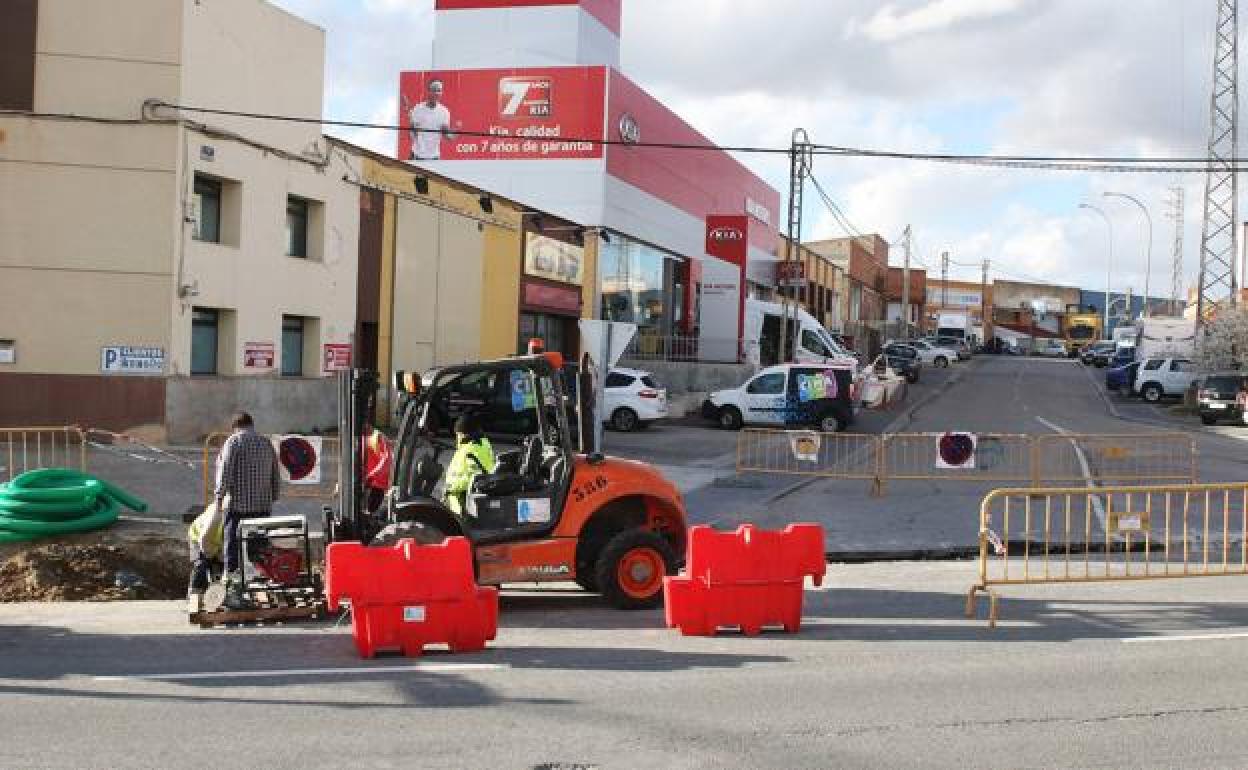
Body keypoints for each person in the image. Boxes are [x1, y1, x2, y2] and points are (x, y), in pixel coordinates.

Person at [214, 412, 281, 609]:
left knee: (233, 548)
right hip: (262, 507)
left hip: (239, 508)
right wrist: (273, 496)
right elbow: (275, 474)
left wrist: (219, 496)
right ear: (252, 424)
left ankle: (233, 591)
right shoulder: (266, 443)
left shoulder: (233, 442)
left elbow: (225, 471)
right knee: (258, 550)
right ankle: (259, 587)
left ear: (235, 426)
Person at [443, 413, 495, 517]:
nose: (457, 437)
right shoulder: (471, 446)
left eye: (458, 434)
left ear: (464, 434)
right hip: (458, 496)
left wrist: (451, 487)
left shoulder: (473, 449)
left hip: (462, 501)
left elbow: (477, 478)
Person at [186, 501, 224, 610]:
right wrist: (213, 556)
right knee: (201, 565)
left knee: (222, 566)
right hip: (198, 538)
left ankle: (218, 596)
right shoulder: (215, 520)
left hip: (214, 541)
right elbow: (205, 543)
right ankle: (194, 596)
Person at [403, 79, 454, 161]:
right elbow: (411, 136)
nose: (436, 93)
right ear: (428, 91)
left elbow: (448, 137)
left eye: (439, 90)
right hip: (415, 157)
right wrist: (415, 130)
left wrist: (457, 129)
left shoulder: (445, 112)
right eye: (434, 90)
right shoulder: (417, 109)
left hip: (434, 158)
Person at [362, 426, 392, 514]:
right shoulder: (361, 437)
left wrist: (371, 475)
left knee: (369, 513)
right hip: (365, 483)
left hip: (375, 485)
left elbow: (386, 460)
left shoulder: (378, 436)